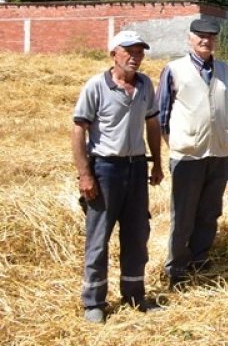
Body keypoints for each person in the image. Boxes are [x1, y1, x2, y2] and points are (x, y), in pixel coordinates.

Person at [73, 30, 165, 323]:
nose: (135, 57)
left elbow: (152, 125)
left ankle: (135, 293)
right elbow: (78, 131)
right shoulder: (96, 87)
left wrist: (156, 162)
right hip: (105, 169)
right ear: (114, 53)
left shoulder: (145, 85)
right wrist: (85, 175)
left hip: (136, 168)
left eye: (140, 52)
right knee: (99, 238)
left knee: (137, 235)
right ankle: (94, 302)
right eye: (129, 51)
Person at [159, 18, 228, 288]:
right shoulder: (174, 69)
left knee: (210, 211)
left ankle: (201, 260)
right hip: (188, 155)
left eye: (211, 37)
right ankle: (177, 269)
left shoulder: (225, 70)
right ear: (189, 38)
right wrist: (178, 144)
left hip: (218, 153)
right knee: (183, 214)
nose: (206, 41)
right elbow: (163, 116)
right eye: (200, 36)